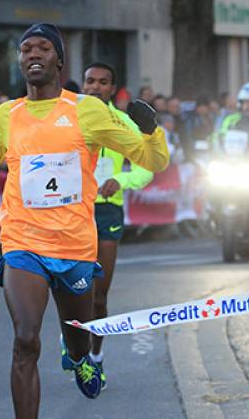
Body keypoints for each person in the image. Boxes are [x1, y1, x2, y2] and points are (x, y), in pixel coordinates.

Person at [0, 23, 169, 415]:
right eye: (25, 49)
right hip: (23, 242)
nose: (33, 54)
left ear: (59, 60)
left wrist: (151, 130)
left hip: (74, 246)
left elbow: (153, 160)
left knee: (77, 340)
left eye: (42, 48)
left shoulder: (87, 110)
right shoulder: (9, 113)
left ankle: (83, 359)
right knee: (25, 339)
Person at [80, 62, 154, 389]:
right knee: (71, 289)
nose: (95, 87)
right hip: (70, 214)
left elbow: (146, 168)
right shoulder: (66, 120)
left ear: (112, 89)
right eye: (90, 81)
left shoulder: (123, 122)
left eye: (103, 82)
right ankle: (73, 342)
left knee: (98, 294)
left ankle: (95, 357)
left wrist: (120, 179)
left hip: (106, 213)